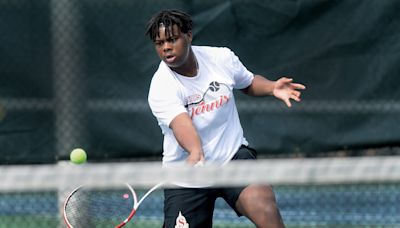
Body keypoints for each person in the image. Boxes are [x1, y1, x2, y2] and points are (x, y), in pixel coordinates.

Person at [145, 9, 305, 228]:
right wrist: (194, 150)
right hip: (187, 176)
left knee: (265, 208)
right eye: (159, 43)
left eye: (172, 39)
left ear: (188, 35)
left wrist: (271, 87)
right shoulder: (161, 85)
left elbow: (247, 82)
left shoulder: (220, 58)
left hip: (231, 157)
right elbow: (181, 123)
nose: (166, 48)